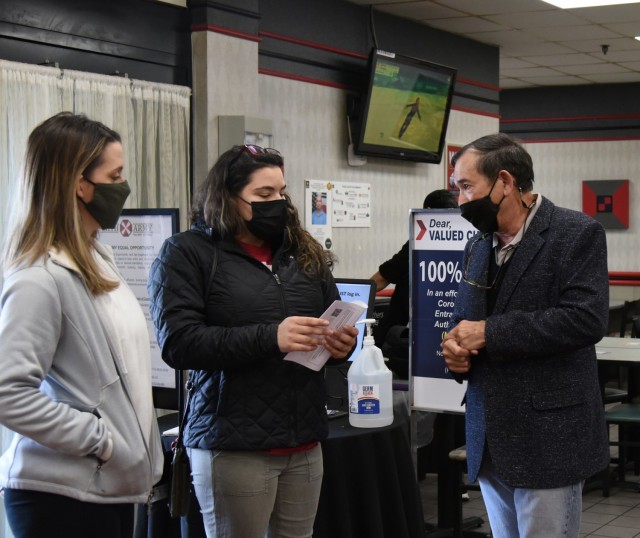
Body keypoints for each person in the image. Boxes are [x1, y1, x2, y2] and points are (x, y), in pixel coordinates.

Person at [147, 144, 358, 538]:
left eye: (281, 192)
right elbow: (179, 343)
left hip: (304, 439)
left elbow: (328, 324)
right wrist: (271, 337)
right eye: (263, 195)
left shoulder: (303, 253)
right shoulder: (187, 253)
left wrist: (338, 347)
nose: (277, 202)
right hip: (232, 444)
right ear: (227, 197)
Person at [0, 112, 163, 538]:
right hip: (61, 497)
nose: (123, 186)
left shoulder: (96, 257)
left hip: (107, 489)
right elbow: (7, 393)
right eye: (116, 174)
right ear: (79, 184)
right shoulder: (39, 278)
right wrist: (100, 439)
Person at [442, 133, 609, 538]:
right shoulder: (477, 246)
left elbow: (586, 320)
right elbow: (466, 324)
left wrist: (488, 333)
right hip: (489, 435)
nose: (461, 201)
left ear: (504, 182)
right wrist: (455, 352)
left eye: (466, 187)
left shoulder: (576, 233)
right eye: (457, 189)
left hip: (548, 438)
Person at [371, 189, 458, 350]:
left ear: (428, 212)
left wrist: (355, 293)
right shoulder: (467, 245)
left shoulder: (417, 246)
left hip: (404, 335)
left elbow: (383, 277)